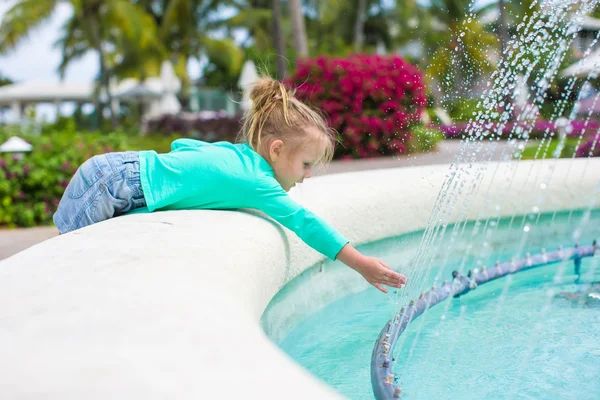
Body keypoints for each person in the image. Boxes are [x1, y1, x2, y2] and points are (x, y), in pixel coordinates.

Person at [53, 77, 406, 293]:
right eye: (306, 164)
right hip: (113, 182)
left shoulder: (240, 158)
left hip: (116, 173)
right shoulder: (256, 181)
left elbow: (182, 148)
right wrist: (360, 263)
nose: (307, 175)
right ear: (277, 150)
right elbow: (304, 222)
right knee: (63, 262)